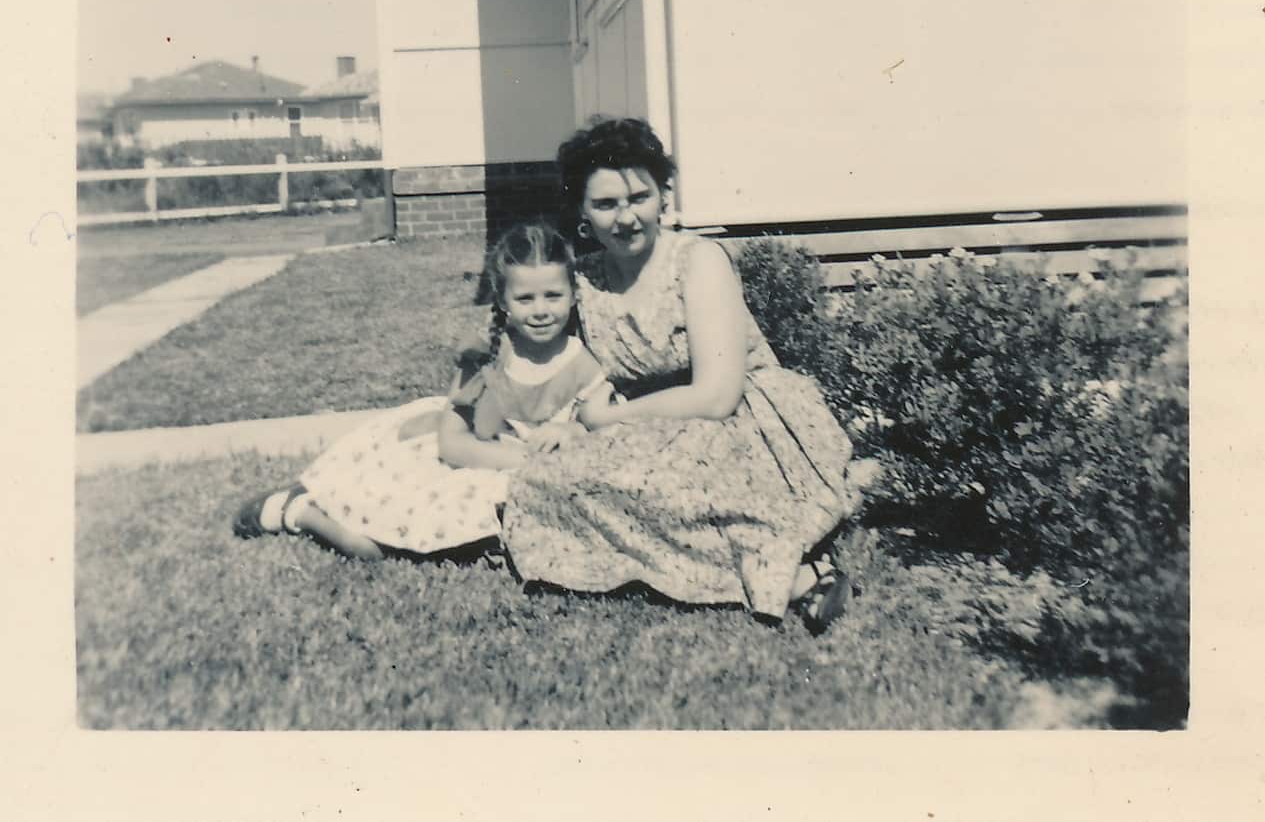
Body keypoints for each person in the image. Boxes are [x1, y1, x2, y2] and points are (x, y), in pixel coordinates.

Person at [501, 117, 877, 633]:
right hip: (646, 428)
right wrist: (574, 422)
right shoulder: (585, 279)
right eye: (606, 204)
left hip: (740, 419)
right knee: (544, 477)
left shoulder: (697, 261)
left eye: (639, 197)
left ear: (663, 197)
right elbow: (576, 372)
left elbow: (718, 395)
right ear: (583, 213)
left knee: (678, 485)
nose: (626, 217)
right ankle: (773, 569)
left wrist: (607, 419)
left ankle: (799, 574)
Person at [232, 222, 611, 561]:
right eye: (525, 299)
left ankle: (304, 509)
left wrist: (569, 431)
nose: (541, 310)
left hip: (520, 476)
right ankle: (299, 510)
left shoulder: (583, 364)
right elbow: (452, 444)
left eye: (553, 296)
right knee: (369, 544)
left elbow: (599, 429)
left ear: (574, 295)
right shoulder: (489, 354)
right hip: (473, 462)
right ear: (502, 301)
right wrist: (522, 458)